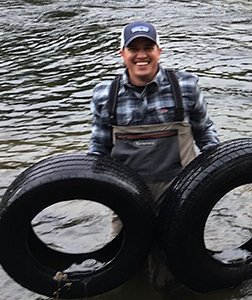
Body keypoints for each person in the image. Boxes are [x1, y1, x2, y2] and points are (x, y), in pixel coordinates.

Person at [89, 20, 219, 203]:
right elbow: (99, 148)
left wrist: (217, 172)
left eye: (148, 47)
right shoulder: (104, 95)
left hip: (183, 197)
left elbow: (204, 133)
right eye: (133, 48)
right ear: (122, 54)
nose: (141, 55)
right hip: (125, 198)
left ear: (158, 51)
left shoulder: (186, 86)